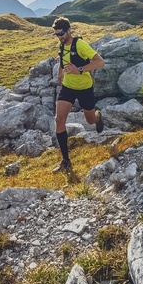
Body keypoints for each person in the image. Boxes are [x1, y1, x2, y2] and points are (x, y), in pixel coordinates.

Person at [51, 17, 105, 172]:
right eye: (56, 34)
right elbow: (62, 59)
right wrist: (60, 73)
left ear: (69, 31)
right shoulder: (61, 45)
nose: (59, 37)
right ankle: (66, 161)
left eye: (61, 33)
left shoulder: (80, 45)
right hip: (67, 87)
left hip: (84, 88)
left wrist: (79, 69)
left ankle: (98, 117)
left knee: (90, 120)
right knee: (59, 119)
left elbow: (100, 62)